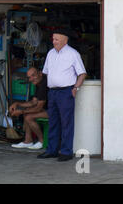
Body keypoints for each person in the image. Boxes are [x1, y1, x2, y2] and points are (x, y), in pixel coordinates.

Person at [37, 29, 87, 162]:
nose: (53, 42)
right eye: (53, 39)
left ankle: (66, 152)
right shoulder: (50, 53)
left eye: (56, 39)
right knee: (53, 121)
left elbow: (82, 73)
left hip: (66, 92)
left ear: (65, 40)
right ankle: (52, 150)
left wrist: (76, 88)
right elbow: (45, 73)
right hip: (52, 92)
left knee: (66, 123)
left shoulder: (73, 54)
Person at [9, 67, 48, 150]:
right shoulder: (38, 83)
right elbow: (33, 102)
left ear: (40, 73)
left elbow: (38, 108)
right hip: (46, 109)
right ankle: (28, 141)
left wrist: (21, 111)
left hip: (54, 111)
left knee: (28, 117)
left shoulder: (44, 84)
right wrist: (17, 103)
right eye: (29, 77)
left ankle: (41, 141)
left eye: (33, 75)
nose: (31, 79)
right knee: (27, 113)